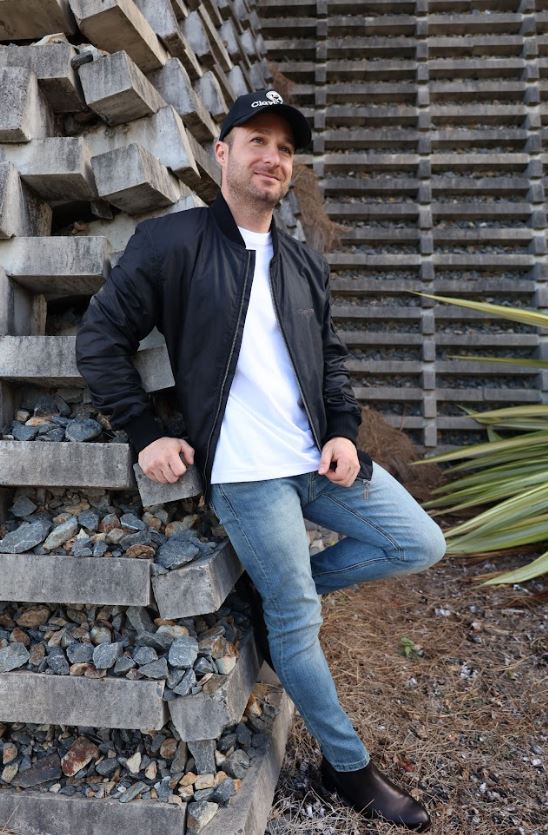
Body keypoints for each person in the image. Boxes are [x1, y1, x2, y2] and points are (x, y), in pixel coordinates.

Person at [76, 89, 446, 831]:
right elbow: (100, 339)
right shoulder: (171, 243)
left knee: (419, 543)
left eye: (284, 147)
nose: (273, 157)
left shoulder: (303, 263)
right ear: (222, 153)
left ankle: (271, 603)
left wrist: (343, 428)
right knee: (300, 619)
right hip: (245, 470)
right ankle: (348, 768)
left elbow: (330, 364)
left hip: (314, 456)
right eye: (257, 141)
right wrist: (145, 429)